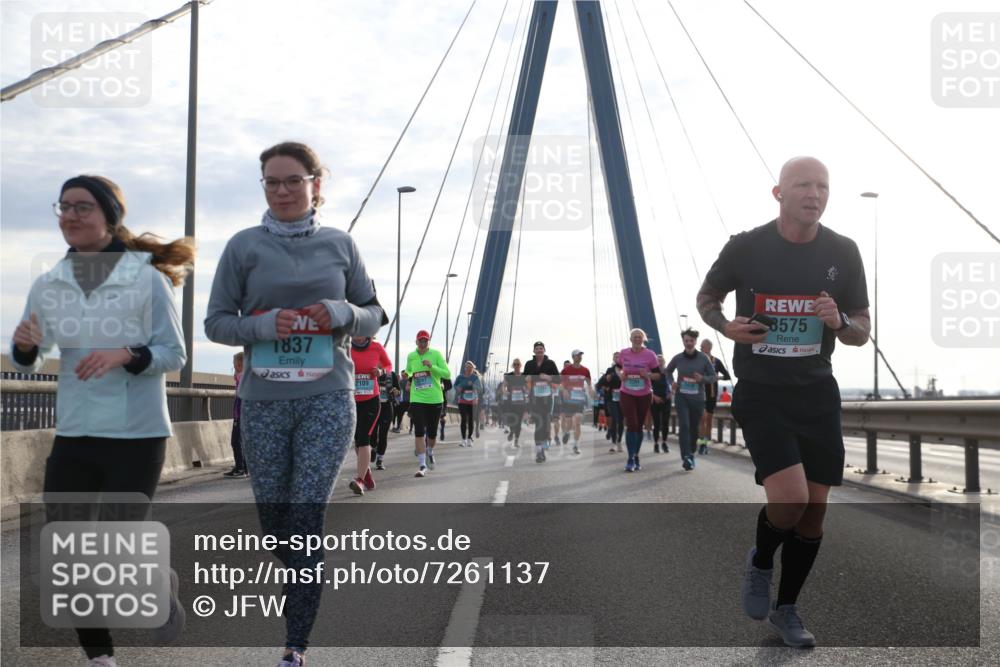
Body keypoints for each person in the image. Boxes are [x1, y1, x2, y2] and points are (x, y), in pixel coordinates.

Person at [205, 141, 386, 666]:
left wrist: (340, 312)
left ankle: (295, 645)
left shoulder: (341, 244)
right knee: (276, 522)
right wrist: (264, 324)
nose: (282, 190)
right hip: (263, 401)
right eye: (271, 181)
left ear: (316, 185)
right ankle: (305, 580)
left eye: (292, 180)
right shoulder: (243, 247)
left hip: (327, 398)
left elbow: (375, 313)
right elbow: (216, 322)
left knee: (306, 516)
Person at [12, 174, 192, 667]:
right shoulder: (49, 284)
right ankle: (100, 658)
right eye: (64, 206)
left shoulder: (146, 279)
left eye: (82, 207)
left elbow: (173, 354)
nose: (70, 215)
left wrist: (125, 354)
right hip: (75, 434)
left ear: (110, 217)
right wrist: (25, 344)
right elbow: (29, 358)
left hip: (136, 436)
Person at [697, 156, 870, 648]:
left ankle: (787, 609)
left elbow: (860, 330)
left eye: (822, 186)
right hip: (763, 391)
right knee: (790, 499)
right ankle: (759, 561)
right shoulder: (746, 247)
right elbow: (707, 297)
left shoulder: (844, 251)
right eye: (802, 185)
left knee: (814, 512)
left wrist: (839, 323)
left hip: (816, 392)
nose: (814, 194)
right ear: (779, 193)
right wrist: (723, 325)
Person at [663, 329, 717, 471]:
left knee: (694, 428)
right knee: (685, 425)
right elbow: (667, 371)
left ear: (695, 342)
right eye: (686, 341)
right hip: (682, 397)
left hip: (698, 399)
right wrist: (672, 382)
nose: (688, 343)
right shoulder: (678, 358)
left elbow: (713, 376)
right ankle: (686, 456)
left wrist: (702, 379)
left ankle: (691, 452)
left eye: (691, 341)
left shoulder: (703, 358)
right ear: (683, 341)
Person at [348, 335, 392, 495]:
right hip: (351, 400)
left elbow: (388, 365)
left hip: (371, 400)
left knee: (364, 437)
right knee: (357, 441)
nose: (358, 337)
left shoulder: (376, 347)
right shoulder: (345, 346)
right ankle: (367, 476)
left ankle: (359, 480)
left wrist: (380, 371)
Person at [405, 330, 450, 477]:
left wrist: (432, 367)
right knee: (419, 431)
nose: (423, 343)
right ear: (416, 342)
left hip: (435, 399)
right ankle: (422, 465)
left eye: (425, 341)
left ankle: (430, 451)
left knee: (432, 433)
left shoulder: (436, 355)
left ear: (428, 342)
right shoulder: (411, 356)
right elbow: (410, 371)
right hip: (417, 398)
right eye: (420, 341)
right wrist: (407, 374)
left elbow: (447, 374)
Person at [616, 329, 661, 472]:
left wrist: (647, 374)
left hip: (644, 393)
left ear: (643, 339)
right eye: (634, 337)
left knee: (639, 425)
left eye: (639, 337)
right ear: (630, 339)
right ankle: (630, 458)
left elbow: (658, 375)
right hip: (627, 392)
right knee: (632, 424)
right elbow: (617, 367)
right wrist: (620, 374)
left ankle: (636, 455)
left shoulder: (650, 355)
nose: (637, 339)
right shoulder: (624, 353)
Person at [523, 341, 560, 463]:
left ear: (544, 350)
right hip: (535, 398)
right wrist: (526, 379)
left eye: (541, 348)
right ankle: (539, 451)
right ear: (534, 351)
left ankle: (544, 444)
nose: (539, 350)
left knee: (545, 423)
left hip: (547, 398)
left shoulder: (550, 363)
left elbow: (558, 379)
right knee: (539, 423)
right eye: (537, 348)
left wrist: (549, 378)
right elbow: (524, 379)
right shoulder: (529, 364)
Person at [697, 338, 731, 455]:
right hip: (700, 394)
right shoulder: (698, 360)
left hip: (711, 394)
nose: (700, 348)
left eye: (702, 346)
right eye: (700, 346)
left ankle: (705, 443)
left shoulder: (716, 361)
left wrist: (718, 377)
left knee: (709, 420)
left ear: (708, 348)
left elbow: (727, 376)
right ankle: (701, 444)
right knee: (703, 418)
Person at [560, 349, 592, 455]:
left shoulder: (585, 370)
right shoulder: (566, 370)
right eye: (578, 355)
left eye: (581, 355)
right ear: (573, 357)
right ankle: (567, 432)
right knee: (569, 423)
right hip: (569, 400)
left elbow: (589, 384)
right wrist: (564, 390)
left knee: (577, 423)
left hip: (579, 400)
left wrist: (591, 391)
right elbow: (560, 384)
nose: (580, 357)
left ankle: (576, 445)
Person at [224, 351, 249, 477]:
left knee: (236, 441)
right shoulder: (246, 377)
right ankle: (244, 467)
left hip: (240, 414)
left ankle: (240, 468)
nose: (234, 366)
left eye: (235, 364)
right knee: (241, 441)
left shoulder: (241, 377)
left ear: (240, 364)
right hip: (244, 414)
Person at [374, 350, 398, 470]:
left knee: (383, 435)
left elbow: (398, 390)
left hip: (387, 407)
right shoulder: (372, 373)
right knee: (372, 434)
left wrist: (395, 391)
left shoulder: (391, 375)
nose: (380, 363)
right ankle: (373, 448)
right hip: (373, 406)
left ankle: (380, 459)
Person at [596, 351, 624, 453]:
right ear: (613, 359)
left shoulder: (626, 369)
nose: (617, 358)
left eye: (619, 356)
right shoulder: (610, 370)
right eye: (615, 357)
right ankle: (613, 443)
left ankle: (619, 441)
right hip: (611, 399)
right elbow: (600, 384)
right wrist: (605, 384)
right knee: (615, 419)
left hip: (623, 399)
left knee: (620, 420)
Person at [453, 361, 484, 447]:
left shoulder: (475, 378)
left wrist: (473, 386)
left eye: (470, 368)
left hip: (473, 401)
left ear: (473, 369)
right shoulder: (460, 377)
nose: (469, 369)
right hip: (462, 400)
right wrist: (458, 388)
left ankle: (469, 438)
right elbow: (455, 386)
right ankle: (463, 440)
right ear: (465, 368)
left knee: (470, 420)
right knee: (463, 420)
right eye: (467, 368)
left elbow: (481, 389)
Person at [501, 359, 527, 447]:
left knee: (519, 421)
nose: (516, 366)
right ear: (513, 365)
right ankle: (512, 431)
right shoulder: (509, 376)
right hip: (511, 402)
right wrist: (504, 391)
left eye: (518, 364)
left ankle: (516, 440)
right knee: (512, 420)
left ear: (520, 365)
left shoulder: (524, 376)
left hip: (521, 402)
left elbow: (528, 386)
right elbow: (504, 385)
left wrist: (527, 391)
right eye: (515, 364)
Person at [651, 353, 671, 454]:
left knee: (665, 422)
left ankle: (664, 442)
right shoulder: (652, 372)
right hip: (655, 400)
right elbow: (648, 387)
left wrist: (671, 393)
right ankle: (656, 443)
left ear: (664, 362)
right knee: (657, 423)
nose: (660, 362)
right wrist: (654, 397)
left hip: (666, 399)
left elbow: (673, 384)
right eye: (658, 360)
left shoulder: (668, 372)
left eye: (662, 360)